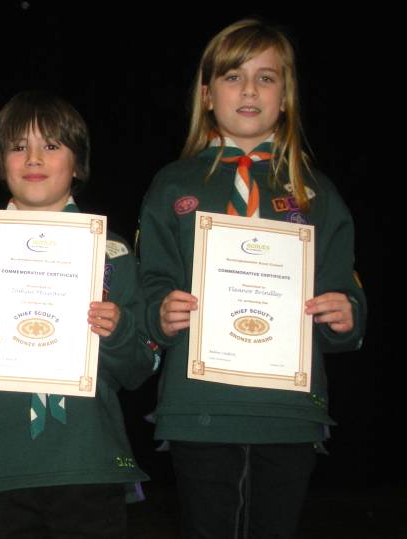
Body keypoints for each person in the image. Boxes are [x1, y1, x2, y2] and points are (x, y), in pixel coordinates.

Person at [138, 19, 367, 539]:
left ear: (285, 96)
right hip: (201, 404)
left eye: (266, 78)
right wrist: (160, 311)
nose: (248, 90)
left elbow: (345, 291)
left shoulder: (317, 193)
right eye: (233, 76)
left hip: (287, 410)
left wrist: (346, 314)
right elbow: (150, 280)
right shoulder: (173, 184)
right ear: (206, 93)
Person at [0, 90, 156, 538]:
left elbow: (140, 369)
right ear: (0, 162)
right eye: (18, 146)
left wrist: (120, 331)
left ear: (78, 162)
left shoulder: (116, 254)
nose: (33, 158)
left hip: (90, 466)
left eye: (51, 145)